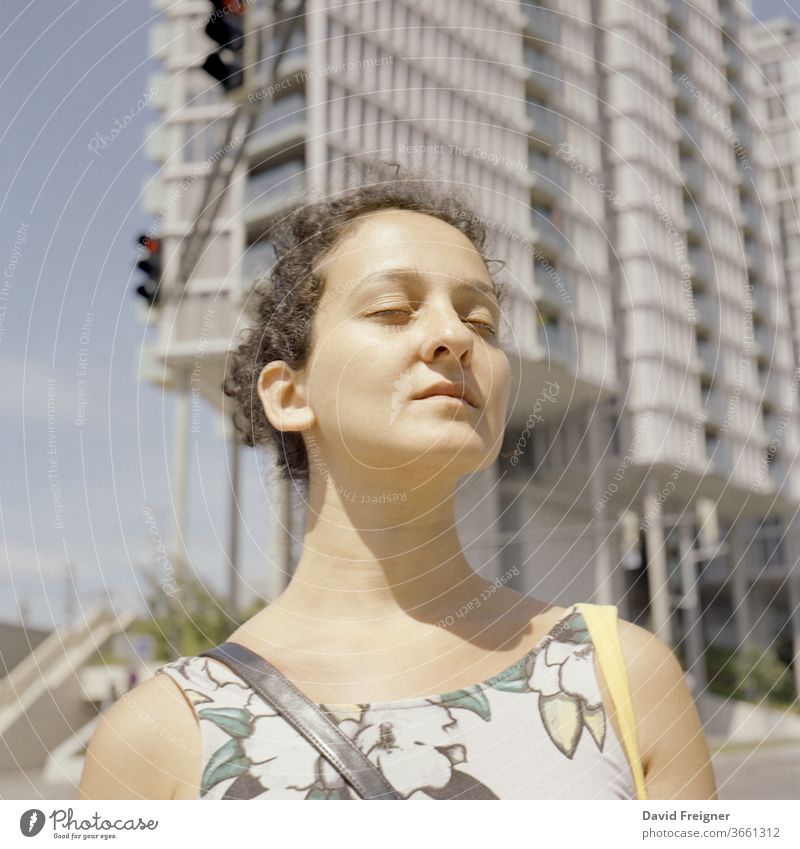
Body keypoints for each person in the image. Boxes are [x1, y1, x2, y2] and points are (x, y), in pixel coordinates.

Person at [79, 163, 717, 800]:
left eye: (482, 321)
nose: (453, 337)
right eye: (391, 309)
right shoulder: (160, 739)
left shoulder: (625, 678)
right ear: (289, 393)